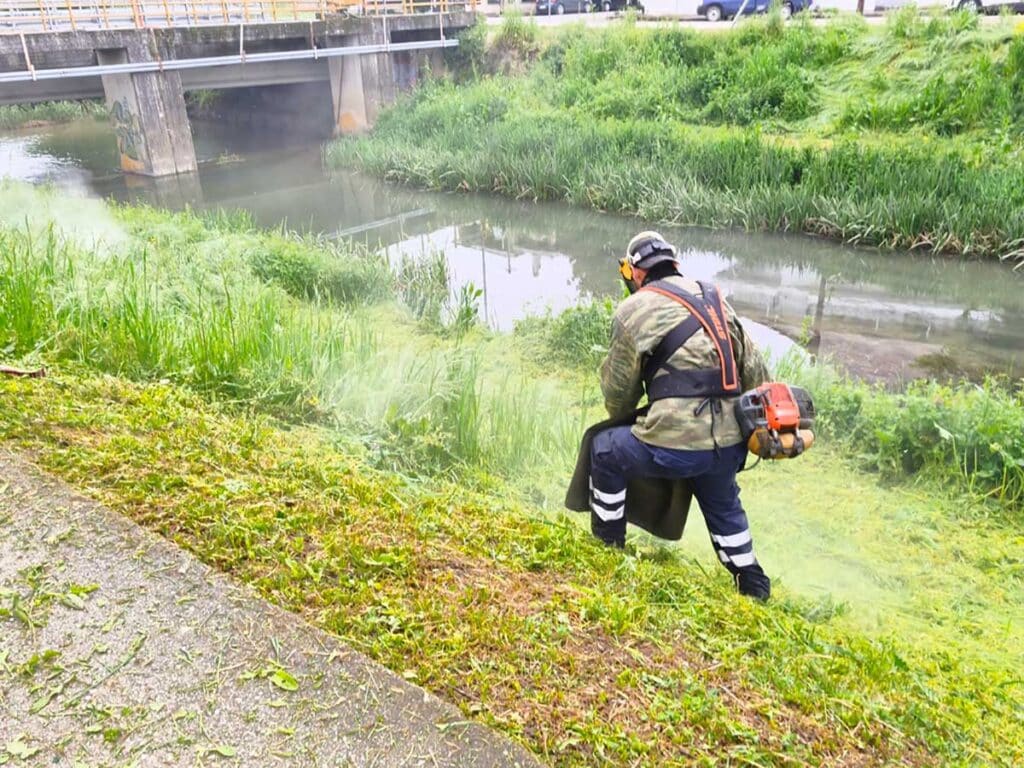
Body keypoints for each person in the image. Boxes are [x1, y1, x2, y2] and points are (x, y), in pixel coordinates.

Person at [590, 231, 773, 600]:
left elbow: (619, 395)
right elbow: (757, 376)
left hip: (675, 445)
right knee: (722, 500)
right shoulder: (715, 298)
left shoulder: (632, 309)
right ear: (674, 264)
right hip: (729, 444)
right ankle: (752, 583)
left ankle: (608, 545)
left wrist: (634, 419)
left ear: (635, 273)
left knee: (604, 448)